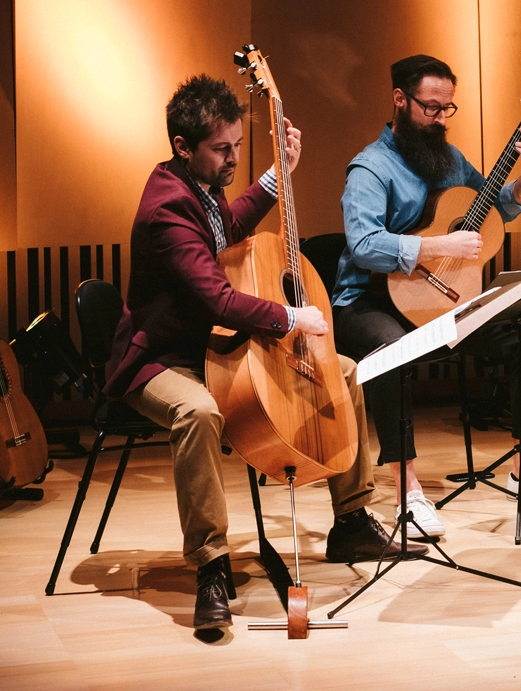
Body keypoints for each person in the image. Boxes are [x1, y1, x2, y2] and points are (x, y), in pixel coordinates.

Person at [105, 75, 419, 633]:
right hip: (160, 358)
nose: (232, 160)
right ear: (183, 147)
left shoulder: (200, 184)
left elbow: (224, 227)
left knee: (344, 371)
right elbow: (216, 297)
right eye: (221, 150)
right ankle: (211, 566)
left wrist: (276, 180)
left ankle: (350, 519)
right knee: (199, 412)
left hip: (209, 345)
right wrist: (290, 317)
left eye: (237, 148)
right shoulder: (166, 207)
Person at [332, 54, 521, 539]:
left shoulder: (448, 160)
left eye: (448, 109)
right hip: (369, 301)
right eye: (431, 108)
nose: (440, 119)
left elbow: (485, 209)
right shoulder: (370, 168)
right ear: (400, 99)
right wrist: (436, 245)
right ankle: (408, 493)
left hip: (439, 297)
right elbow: (363, 246)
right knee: (390, 354)